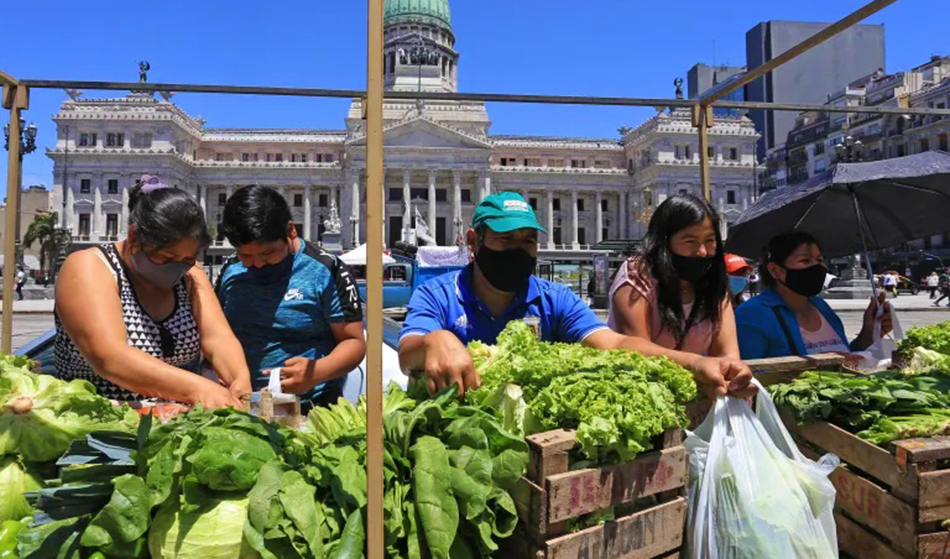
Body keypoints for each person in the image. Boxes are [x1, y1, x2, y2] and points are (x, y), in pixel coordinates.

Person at [398, 192, 754, 400]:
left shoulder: (555, 300)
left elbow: (615, 344)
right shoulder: (438, 295)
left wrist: (695, 363)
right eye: (506, 241)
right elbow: (406, 352)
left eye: (529, 242)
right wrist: (435, 340)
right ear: (474, 243)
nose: (519, 251)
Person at [55, 180, 251, 408]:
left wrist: (238, 378)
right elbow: (110, 357)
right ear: (134, 238)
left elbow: (218, 338)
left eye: (187, 259)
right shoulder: (90, 266)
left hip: (171, 422)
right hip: (101, 423)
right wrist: (198, 388)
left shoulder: (191, 274)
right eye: (165, 258)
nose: (177, 267)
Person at [216, 185, 365, 412]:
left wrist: (317, 371)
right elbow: (214, 334)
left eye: (267, 253)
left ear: (291, 231)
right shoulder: (230, 269)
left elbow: (353, 342)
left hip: (312, 407)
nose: (256, 263)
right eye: (245, 254)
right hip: (239, 405)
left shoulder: (327, 269)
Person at [609, 195, 742, 363]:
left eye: (709, 240)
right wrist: (696, 364)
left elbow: (727, 354)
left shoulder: (713, 281)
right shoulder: (638, 275)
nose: (702, 251)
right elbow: (637, 353)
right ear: (664, 242)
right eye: (689, 241)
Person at [735, 232, 892, 360]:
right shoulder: (752, 314)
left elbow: (849, 357)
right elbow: (748, 376)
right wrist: (819, 364)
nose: (817, 267)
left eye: (819, 260)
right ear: (776, 270)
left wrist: (870, 333)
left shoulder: (821, 306)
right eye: (805, 260)